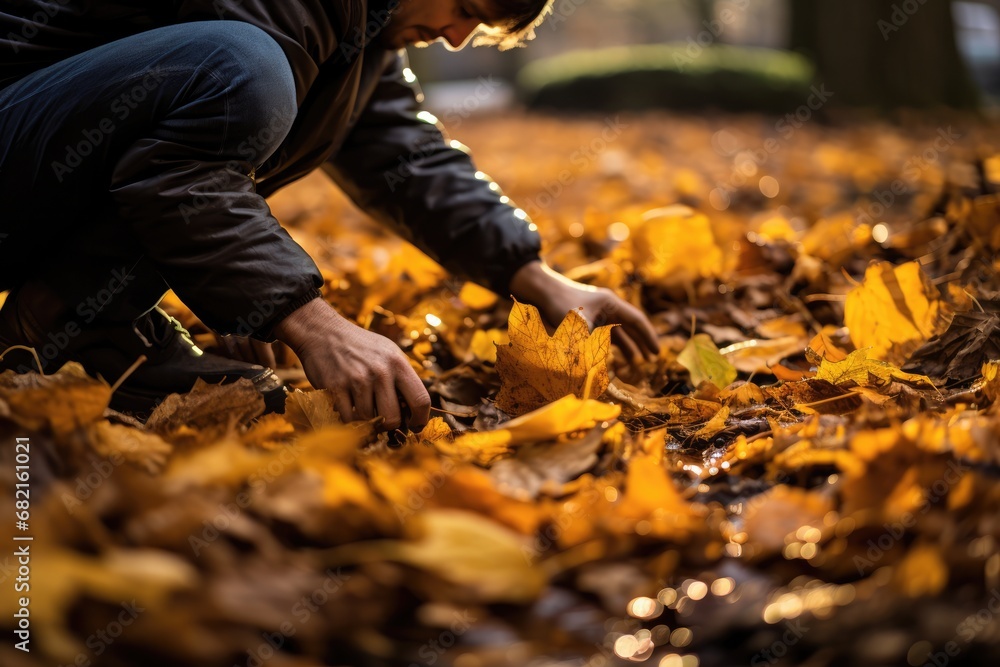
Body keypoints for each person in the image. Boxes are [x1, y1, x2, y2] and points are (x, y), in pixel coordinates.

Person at [0, 0, 659, 430]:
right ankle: (55, 319)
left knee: (248, 78)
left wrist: (539, 278)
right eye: (465, 7)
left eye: (479, 29)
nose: (459, 39)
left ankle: (93, 321)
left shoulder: (360, 26)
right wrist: (310, 324)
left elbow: (408, 157)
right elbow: (186, 161)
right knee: (242, 73)